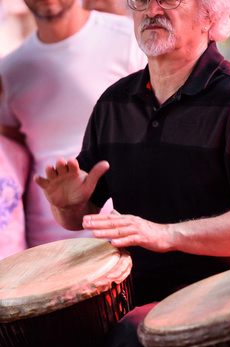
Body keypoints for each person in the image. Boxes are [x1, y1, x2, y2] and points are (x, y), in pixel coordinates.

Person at [34, 0, 230, 347]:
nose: (151, 9)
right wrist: (68, 205)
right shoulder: (114, 102)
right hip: (128, 289)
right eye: (140, 0)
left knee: (131, 335)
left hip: (225, 292)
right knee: (50, 333)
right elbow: (79, 216)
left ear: (211, 15)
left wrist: (167, 234)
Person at [0, 0, 146, 248]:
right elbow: (11, 160)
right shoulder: (10, 70)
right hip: (46, 247)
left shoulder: (129, 39)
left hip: (121, 233)